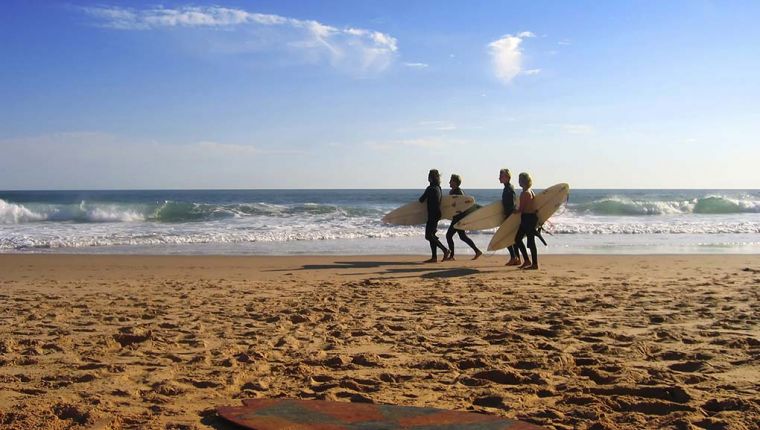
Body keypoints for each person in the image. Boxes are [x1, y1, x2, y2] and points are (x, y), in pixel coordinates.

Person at [443, 174, 482, 261]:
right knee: (462, 237)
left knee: (449, 235)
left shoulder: (459, 192)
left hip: (459, 219)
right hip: (456, 218)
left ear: (455, 182)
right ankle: (477, 251)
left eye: (451, 180)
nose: (449, 182)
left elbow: (464, 205)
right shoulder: (452, 192)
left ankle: (452, 256)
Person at [419, 169, 450, 263]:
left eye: (429, 176)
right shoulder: (438, 188)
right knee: (432, 235)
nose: (428, 178)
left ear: (431, 178)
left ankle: (445, 250)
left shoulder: (430, 188)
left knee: (428, 236)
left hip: (432, 214)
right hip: (437, 214)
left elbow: (421, 200)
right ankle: (434, 257)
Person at [514, 172, 539, 270]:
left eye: (520, 179)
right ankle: (529, 262)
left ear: (523, 181)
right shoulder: (531, 191)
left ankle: (533, 263)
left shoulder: (524, 193)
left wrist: (514, 211)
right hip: (532, 218)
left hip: (527, 218)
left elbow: (521, 209)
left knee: (518, 239)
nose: (518, 181)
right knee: (527, 240)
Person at [500, 169, 520, 266]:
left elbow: (512, 205)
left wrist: (509, 217)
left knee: (506, 238)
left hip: (509, 217)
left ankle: (513, 257)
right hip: (509, 216)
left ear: (507, 177)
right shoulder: (507, 188)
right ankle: (517, 258)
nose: (499, 177)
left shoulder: (509, 189)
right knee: (512, 238)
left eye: (502, 176)